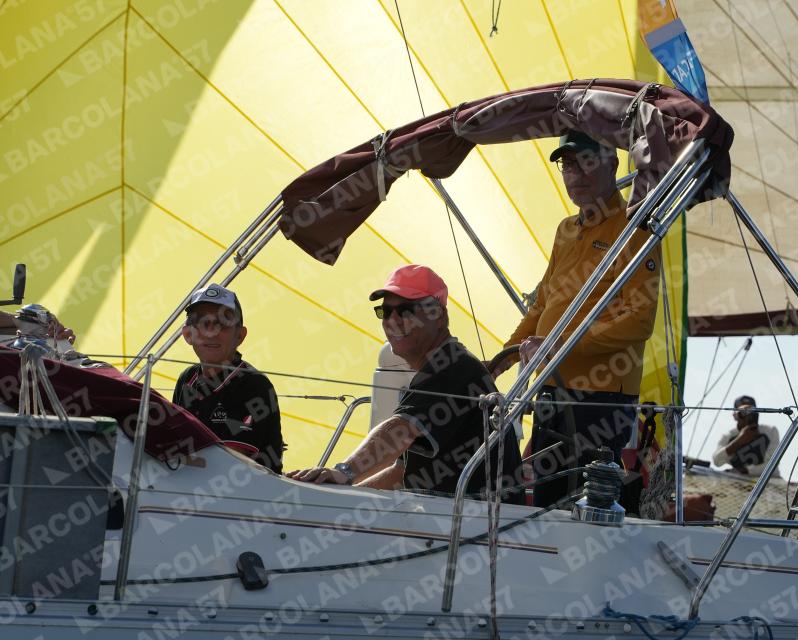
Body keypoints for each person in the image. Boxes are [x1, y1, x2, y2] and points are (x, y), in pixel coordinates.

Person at [489, 131, 660, 508]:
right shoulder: (566, 229)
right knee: (545, 505)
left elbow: (639, 321)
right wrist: (502, 359)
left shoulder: (636, 227)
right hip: (550, 390)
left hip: (600, 399)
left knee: (584, 510)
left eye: (586, 162)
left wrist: (558, 346)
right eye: (568, 165)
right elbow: (542, 304)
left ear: (612, 164)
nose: (575, 174)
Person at [288, 265, 522, 502]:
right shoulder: (445, 365)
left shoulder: (452, 365)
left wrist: (344, 473)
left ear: (438, 315)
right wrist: (342, 499)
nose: (393, 320)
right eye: (385, 311)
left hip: (483, 520)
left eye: (406, 311)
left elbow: (402, 430)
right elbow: (400, 474)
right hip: (468, 517)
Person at [172, 284, 284, 473]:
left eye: (222, 323)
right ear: (187, 334)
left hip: (246, 490)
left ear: (240, 335)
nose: (211, 332)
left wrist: (163, 457)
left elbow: (228, 464)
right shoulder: (186, 379)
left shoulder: (253, 385)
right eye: (202, 323)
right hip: (189, 486)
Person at [711, 395, 780, 476]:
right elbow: (717, 461)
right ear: (735, 415)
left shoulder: (770, 431)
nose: (747, 416)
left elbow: (773, 463)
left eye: (751, 412)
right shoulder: (728, 436)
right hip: (739, 480)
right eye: (743, 413)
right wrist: (739, 441)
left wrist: (746, 471)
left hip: (769, 479)